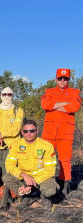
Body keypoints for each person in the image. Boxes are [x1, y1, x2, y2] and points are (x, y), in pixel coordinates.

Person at [41, 68, 82, 196]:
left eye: (65, 78)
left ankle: (65, 186)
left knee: (65, 159)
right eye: (60, 78)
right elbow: (45, 105)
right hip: (49, 131)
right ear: (56, 79)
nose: (62, 81)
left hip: (66, 131)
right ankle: (45, 183)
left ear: (69, 80)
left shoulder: (75, 92)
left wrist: (54, 105)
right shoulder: (48, 91)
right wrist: (64, 104)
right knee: (44, 157)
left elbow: (75, 106)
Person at [4, 120, 59, 207]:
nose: (28, 134)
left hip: (41, 177)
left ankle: (44, 197)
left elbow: (50, 170)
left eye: (32, 131)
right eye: (25, 131)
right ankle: (27, 196)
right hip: (24, 177)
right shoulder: (15, 145)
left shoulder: (47, 146)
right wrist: (23, 175)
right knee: (6, 177)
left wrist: (32, 183)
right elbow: (9, 165)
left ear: (37, 131)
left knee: (50, 190)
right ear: (22, 132)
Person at [0, 87, 24, 185]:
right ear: (1, 95)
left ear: (13, 96)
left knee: (9, 167)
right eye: (4, 94)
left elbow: (16, 128)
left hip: (11, 144)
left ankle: (8, 190)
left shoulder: (18, 110)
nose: (7, 96)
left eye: (9, 94)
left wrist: (2, 135)